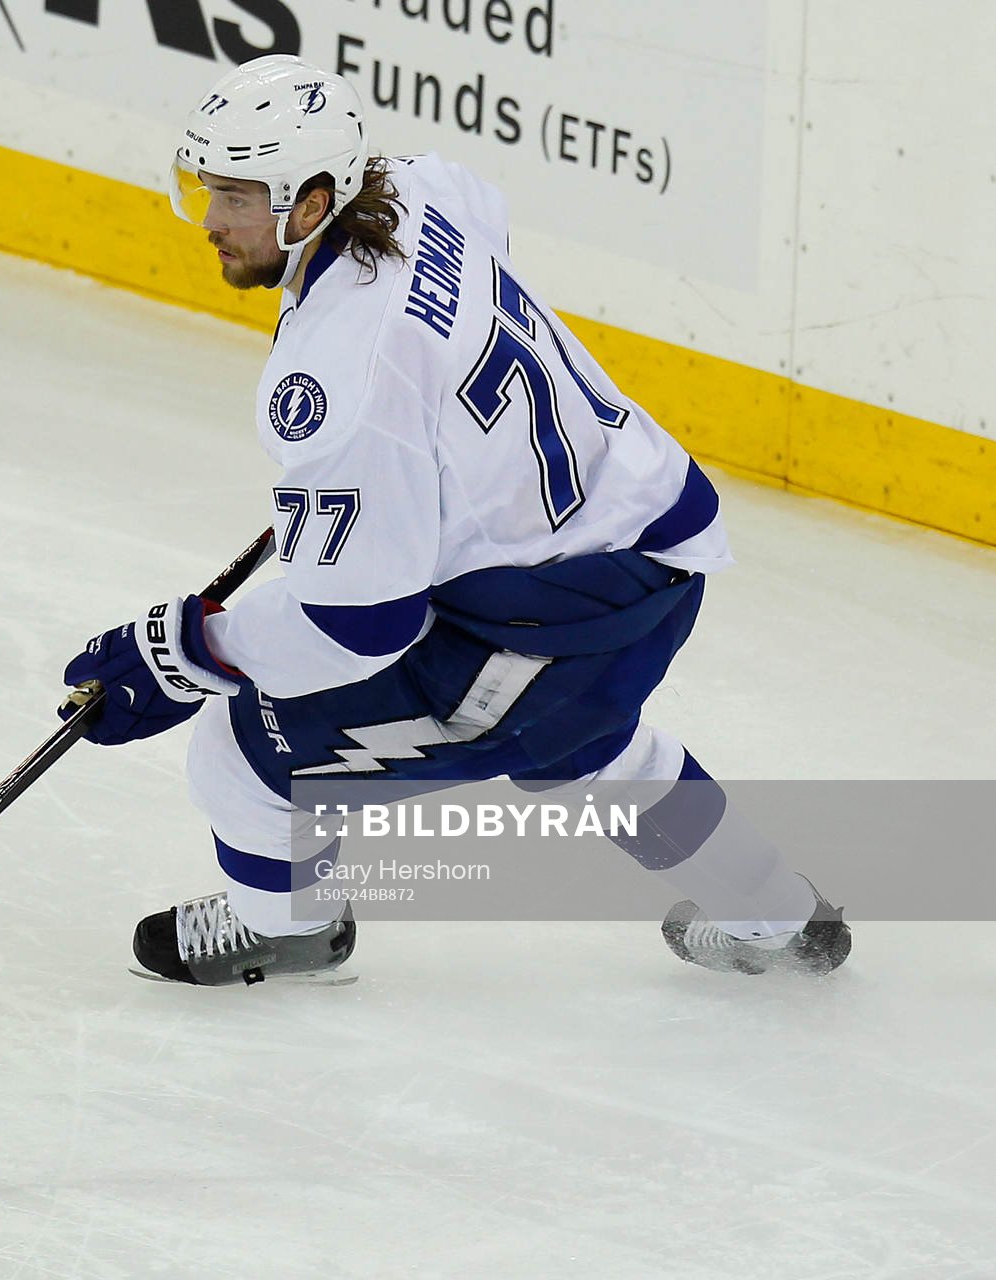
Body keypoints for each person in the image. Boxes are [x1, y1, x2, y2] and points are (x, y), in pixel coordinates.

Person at [60, 54, 850, 986]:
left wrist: (183, 654)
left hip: (548, 629)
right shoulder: (416, 193)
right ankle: (776, 915)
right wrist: (427, 459)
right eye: (208, 190)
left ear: (313, 204)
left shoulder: (338, 381)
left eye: (236, 197)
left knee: (245, 751)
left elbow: (358, 626)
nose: (212, 221)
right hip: (651, 547)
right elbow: (480, 218)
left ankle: (290, 928)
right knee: (596, 740)